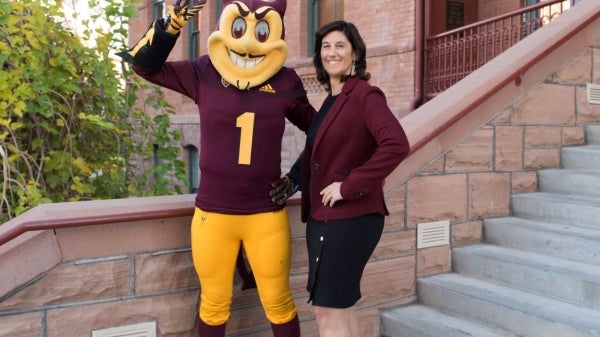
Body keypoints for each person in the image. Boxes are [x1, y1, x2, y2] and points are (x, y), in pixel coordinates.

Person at [117, 1, 315, 336]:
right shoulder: (205, 71)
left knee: (279, 302)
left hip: (264, 214)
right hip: (213, 215)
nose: (249, 41)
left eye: (261, 30)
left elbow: (323, 133)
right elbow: (144, 67)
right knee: (213, 303)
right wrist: (172, 25)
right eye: (240, 28)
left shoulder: (285, 81)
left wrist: (296, 178)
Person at [270, 20, 410, 337]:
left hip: (349, 217)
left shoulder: (365, 95)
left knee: (326, 310)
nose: (332, 52)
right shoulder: (335, 98)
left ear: (356, 54)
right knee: (340, 306)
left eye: (340, 46)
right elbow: (319, 151)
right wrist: (292, 181)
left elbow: (397, 144)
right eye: (326, 46)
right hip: (328, 217)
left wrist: (348, 186)